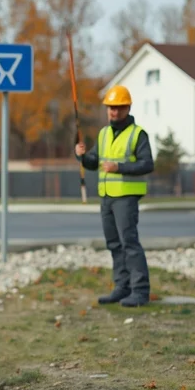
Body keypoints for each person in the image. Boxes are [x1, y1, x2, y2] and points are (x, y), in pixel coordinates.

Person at [75, 84, 153, 308]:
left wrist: (119, 167)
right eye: (111, 108)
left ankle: (140, 291)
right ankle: (122, 287)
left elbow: (147, 164)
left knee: (129, 243)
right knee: (114, 244)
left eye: (119, 108)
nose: (114, 112)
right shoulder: (104, 134)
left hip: (126, 197)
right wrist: (81, 156)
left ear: (127, 107)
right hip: (107, 197)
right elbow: (93, 162)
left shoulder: (138, 134)